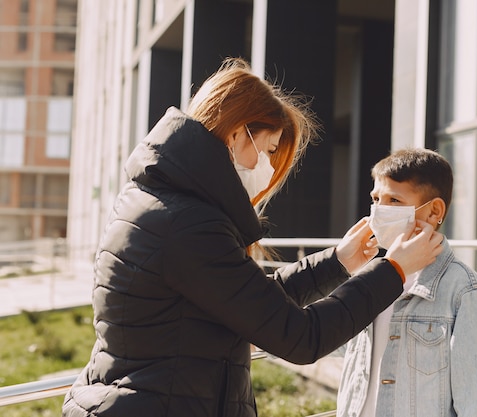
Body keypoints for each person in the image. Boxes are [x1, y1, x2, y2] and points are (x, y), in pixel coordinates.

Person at [61, 58, 444, 417]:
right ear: (236, 134)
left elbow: (248, 300)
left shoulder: (159, 200)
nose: (267, 165)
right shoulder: (189, 224)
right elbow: (299, 336)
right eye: (269, 149)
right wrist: (392, 270)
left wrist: (338, 262)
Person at [336, 148, 477, 417]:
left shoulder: (465, 293)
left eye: (394, 200)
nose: (379, 211)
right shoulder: (367, 278)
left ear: (433, 212)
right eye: (376, 198)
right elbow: (323, 339)